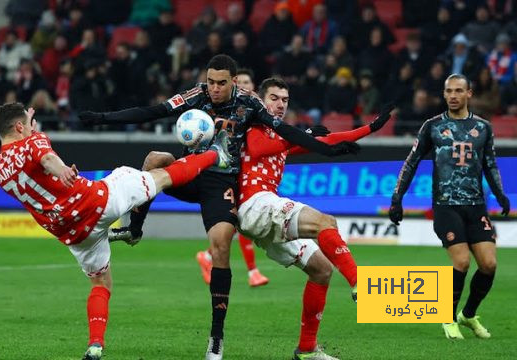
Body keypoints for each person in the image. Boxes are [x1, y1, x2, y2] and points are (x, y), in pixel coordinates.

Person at [79, 54, 360, 360]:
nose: (214, 88)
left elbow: (286, 132)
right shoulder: (196, 94)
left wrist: (325, 149)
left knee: (221, 247)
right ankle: (134, 229)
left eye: (221, 83)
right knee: (154, 159)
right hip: (190, 171)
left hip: (221, 184)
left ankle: (216, 338)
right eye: (211, 81)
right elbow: (153, 111)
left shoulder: (249, 104)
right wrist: (104, 118)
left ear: (233, 81)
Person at [0, 103, 233, 360]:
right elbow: (48, 159)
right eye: (27, 125)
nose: (32, 128)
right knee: (160, 175)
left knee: (101, 283)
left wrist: (29, 131)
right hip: (97, 202)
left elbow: (28, 163)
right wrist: (60, 169)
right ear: (19, 127)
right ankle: (217, 155)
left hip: (73, 234)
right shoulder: (33, 142)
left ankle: (95, 345)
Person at [238, 77, 392, 359]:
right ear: (261, 100)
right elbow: (259, 149)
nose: (280, 105)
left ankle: (307, 349)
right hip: (254, 204)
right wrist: (302, 135)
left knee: (321, 269)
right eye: (274, 98)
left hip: (264, 217)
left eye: (285, 100)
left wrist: (370, 128)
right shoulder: (252, 124)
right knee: (325, 222)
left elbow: (327, 139)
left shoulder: (281, 136)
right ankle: (360, 283)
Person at [389, 74, 511, 340]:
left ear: (469, 93)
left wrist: (501, 195)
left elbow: (490, 164)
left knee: (489, 264)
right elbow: (411, 162)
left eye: (458, 90)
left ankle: (467, 315)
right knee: (462, 261)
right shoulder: (432, 127)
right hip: (445, 206)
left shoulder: (483, 128)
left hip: (476, 206)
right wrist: (397, 197)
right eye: (449, 91)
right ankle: (447, 317)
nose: (453, 95)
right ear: (444, 95)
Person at [195, 67, 270, 287]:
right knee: (238, 217)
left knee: (239, 219)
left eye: (249, 83)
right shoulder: (229, 111)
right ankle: (252, 271)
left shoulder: (254, 109)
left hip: (247, 170)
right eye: (241, 83)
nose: (245, 86)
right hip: (232, 171)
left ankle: (208, 256)